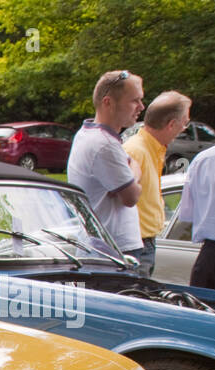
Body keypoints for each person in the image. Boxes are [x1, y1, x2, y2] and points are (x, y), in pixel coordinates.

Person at [67, 70, 147, 270]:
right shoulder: (104, 145)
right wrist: (134, 173)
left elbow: (129, 176)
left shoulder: (88, 134)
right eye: (134, 101)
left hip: (99, 247)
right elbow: (131, 197)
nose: (141, 107)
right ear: (108, 102)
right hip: (113, 252)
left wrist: (129, 173)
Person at [122, 90, 191, 276]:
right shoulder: (136, 150)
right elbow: (120, 199)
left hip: (143, 243)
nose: (183, 129)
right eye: (185, 124)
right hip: (136, 245)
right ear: (171, 124)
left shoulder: (151, 148)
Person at [178, 98, 215, 292]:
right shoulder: (204, 159)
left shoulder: (203, 159)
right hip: (213, 256)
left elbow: (186, 213)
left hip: (211, 259)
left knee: (204, 318)